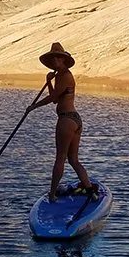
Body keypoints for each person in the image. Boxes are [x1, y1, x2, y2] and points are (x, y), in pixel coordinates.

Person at [26, 42, 96, 202]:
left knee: (61, 158)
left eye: (58, 58)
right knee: (73, 160)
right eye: (53, 59)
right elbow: (56, 100)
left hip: (67, 120)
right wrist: (49, 81)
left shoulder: (65, 76)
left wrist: (34, 106)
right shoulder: (60, 76)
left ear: (64, 60)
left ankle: (52, 194)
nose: (55, 61)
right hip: (74, 120)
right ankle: (91, 191)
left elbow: (52, 97)